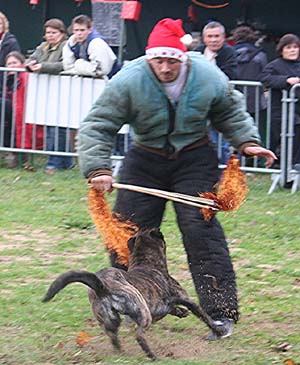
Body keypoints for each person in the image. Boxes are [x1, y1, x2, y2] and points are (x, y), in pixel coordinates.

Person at [78, 18, 276, 340]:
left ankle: (221, 312)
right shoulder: (129, 79)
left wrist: (246, 140)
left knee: (202, 230)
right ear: (148, 58)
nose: (166, 67)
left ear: (183, 57)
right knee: (127, 231)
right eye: (159, 60)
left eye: (172, 60)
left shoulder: (208, 76)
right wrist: (98, 167)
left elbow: (230, 111)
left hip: (194, 158)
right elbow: (97, 125)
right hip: (145, 158)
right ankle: (128, 300)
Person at [25, 18, 74, 173]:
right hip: (47, 94)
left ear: (62, 33)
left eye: (54, 32)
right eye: (48, 33)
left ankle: (56, 162)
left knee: (59, 128)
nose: (50, 36)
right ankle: (64, 161)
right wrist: (30, 64)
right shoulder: (43, 46)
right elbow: (33, 57)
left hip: (63, 92)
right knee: (50, 127)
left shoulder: (66, 46)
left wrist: (42, 67)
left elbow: (63, 65)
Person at [194, 21, 238, 165]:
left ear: (223, 37)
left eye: (217, 36)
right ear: (204, 38)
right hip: (197, 104)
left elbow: (230, 74)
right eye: (210, 36)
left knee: (221, 144)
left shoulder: (229, 53)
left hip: (220, 104)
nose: (213, 40)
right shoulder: (197, 52)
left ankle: (223, 177)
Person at [261, 34, 300, 170]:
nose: (292, 50)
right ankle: (284, 168)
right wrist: (286, 80)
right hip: (280, 111)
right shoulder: (274, 65)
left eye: (295, 47)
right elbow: (265, 78)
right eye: (289, 47)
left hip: (297, 109)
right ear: (282, 50)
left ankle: (293, 167)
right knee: (283, 139)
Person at [5, 51, 44, 167]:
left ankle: (24, 159)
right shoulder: (10, 77)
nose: (12, 66)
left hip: (24, 111)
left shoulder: (24, 76)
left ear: (21, 63)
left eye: (14, 63)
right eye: (9, 64)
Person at [232, 25, 268, 149]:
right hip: (257, 101)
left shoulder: (229, 53)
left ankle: (236, 160)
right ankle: (261, 161)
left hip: (235, 99)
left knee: (236, 131)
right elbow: (265, 75)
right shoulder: (260, 55)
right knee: (261, 132)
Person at [62, 14, 119, 79]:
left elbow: (101, 70)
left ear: (90, 30)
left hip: (112, 79)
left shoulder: (97, 43)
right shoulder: (71, 43)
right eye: (76, 30)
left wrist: (78, 65)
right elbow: (68, 66)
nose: (79, 33)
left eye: (82, 30)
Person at [0, 12, 21, 166]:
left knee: (7, 113)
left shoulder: (10, 42)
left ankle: (12, 150)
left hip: (8, 87)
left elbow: (15, 62)